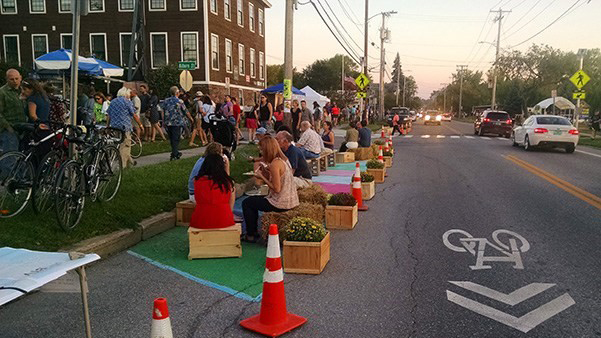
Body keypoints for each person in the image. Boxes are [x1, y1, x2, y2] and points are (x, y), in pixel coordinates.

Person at [242, 136, 299, 242]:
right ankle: (253, 232)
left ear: (267, 149)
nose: (261, 152)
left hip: (280, 203)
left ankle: (251, 234)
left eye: (262, 149)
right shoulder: (284, 160)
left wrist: (262, 177)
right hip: (290, 200)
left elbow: (276, 189)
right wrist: (267, 172)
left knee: (247, 203)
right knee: (253, 201)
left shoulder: (275, 164)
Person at [189, 154, 236, 229]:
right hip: (224, 219)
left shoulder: (197, 181)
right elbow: (231, 201)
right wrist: (227, 167)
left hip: (200, 220)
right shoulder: (228, 183)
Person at [106, 87, 143, 168]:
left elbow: (108, 115)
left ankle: (131, 161)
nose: (129, 96)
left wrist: (107, 126)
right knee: (125, 146)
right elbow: (134, 114)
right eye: (129, 94)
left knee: (118, 144)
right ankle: (122, 166)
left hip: (114, 127)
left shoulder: (112, 102)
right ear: (126, 94)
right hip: (125, 127)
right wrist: (140, 125)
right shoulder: (127, 102)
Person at [161, 86, 187, 160]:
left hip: (168, 122)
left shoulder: (166, 101)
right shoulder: (179, 101)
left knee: (172, 138)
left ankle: (174, 152)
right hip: (177, 122)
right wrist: (190, 118)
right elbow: (185, 110)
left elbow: (163, 111)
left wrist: (163, 120)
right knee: (176, 138)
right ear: (177, 93)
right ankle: (175, 154)